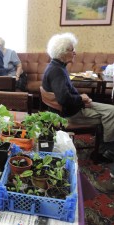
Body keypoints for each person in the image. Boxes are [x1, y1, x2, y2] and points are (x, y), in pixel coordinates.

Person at [42, 32, 114, 163]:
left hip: (75, 106)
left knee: (111, 111)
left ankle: (106, 146)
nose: (75, 52)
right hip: (70, 113)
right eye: (72, 50)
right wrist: (81, 100)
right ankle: (107, 151)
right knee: (111, 114)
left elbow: (67, 93)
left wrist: (82, 97)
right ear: (62, 52)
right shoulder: (57, 71)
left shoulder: (58, 67)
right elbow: (64, 99)